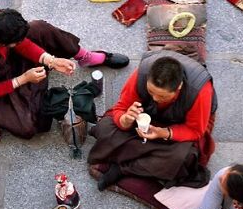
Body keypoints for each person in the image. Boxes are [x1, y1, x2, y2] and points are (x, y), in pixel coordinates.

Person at [0, 8, 129, 139]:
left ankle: (85, 56)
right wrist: (23, 79)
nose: (20, 42)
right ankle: (34, 93)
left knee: (40, 28)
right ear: (1, 41)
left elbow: (22, 44)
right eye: (15, 42)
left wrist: (51, 60)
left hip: (1, 63)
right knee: (28, 125)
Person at [88, 50, 217, 190]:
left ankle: (122, 169)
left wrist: (163, 133)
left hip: (178, 126)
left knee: (183, 157)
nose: (155, 99)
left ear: (179, 86)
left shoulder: (200, 91)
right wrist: (125, 120)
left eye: (162, 97)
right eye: (151, 92)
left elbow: (195, 130)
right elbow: (121, 107)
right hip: (148, 116)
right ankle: (147, 163)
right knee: (104, 127)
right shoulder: (142, 74)